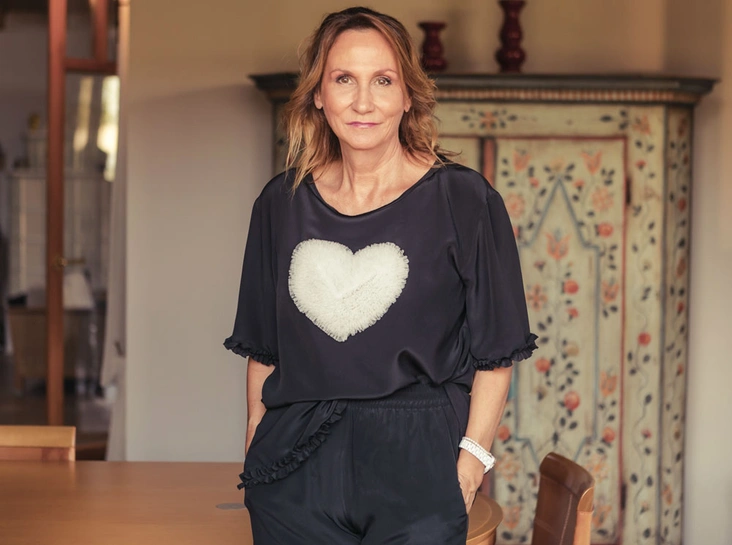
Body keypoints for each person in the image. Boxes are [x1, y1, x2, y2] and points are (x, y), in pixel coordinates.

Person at [224, 6, 537, 545]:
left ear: (408, 95)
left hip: (420, 464)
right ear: (318, 94)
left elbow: (497, 354)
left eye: (383, 81)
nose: (363, 102)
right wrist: (256, 445)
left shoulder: (464, 200)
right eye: (344, 79)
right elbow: (263, 349)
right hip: (295, 467)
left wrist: (470, 464)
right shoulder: (280, 203)